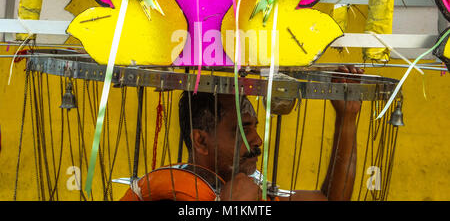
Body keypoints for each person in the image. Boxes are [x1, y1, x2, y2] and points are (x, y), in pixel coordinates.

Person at [120, 66, 363, 201]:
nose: (257, 140)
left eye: (255, 127)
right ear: (201, 140)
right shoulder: (169, 196)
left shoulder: (249, 190)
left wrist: (347, 118)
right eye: (243, 129)